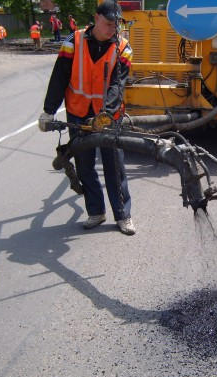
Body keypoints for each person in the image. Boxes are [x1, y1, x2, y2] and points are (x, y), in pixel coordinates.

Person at [38, 0, 136, 235]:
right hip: (79, 113)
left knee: (114, 166)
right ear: (96, 18)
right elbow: (59, 77)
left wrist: (107, 114)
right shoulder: (73, 42)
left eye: (116, 25)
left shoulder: (123, 48)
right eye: (108, 24)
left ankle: (123, 216)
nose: (112, 29)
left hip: (108, 117)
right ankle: (96, 212)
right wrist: (49, 110)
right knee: (85, 166)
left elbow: (116, 85)